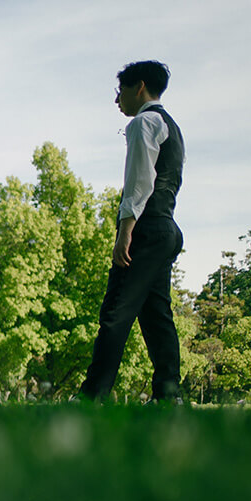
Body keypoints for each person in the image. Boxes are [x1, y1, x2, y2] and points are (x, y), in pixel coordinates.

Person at [79, 61, 185, 403]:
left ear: (138, 87)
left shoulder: (144, 122)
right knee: (156, 316)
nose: (117, 101)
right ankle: (169, 397)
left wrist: (125, 231)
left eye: (119, 91)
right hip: (167, 228)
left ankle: (92, 396)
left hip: (146, 229)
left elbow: (139, 183)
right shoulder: (173, 126)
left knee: (116, 313)